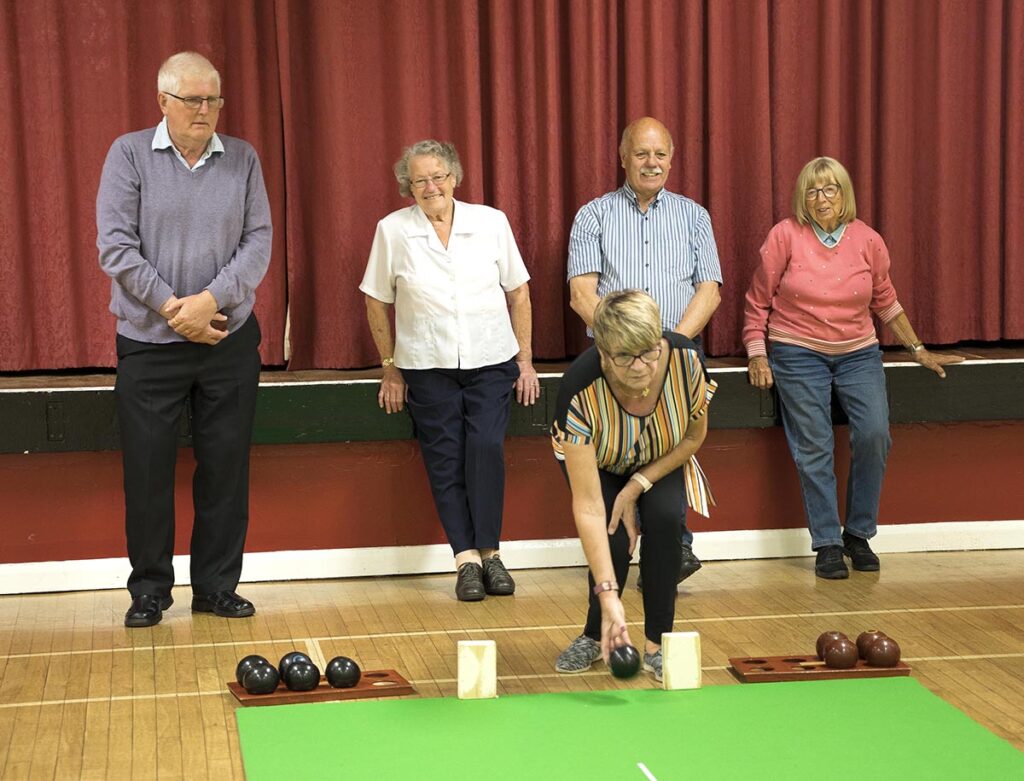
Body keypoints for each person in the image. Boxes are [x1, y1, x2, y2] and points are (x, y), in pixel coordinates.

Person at [96, 52, 272, 627]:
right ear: (163, 102)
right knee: (147, 474)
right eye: (193, 99)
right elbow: (116, 246)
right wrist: (176, 309)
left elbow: (258, 243)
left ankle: (216, 588)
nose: (205, 110)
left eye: (213, 99)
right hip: (150, 343)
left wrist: (208, 303)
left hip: (228, 340)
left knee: (226, 471)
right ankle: (149, 591)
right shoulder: (128, 154)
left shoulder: (242, 158)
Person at [743, 156, 963, 579]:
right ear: (802, 198)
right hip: (797, 351)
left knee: (875, 435)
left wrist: (918, 349)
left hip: (858, 353)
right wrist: (757, 352)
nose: (821, 198)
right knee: (814, 445)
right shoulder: (784, 235)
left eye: (830, 189)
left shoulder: (867, 239)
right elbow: (758, 301)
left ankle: (858, 535)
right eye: (812, 190)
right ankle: (827, 543)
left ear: (844, 194)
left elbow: (886, 300)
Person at [360, 139, 539, 602]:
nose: (430, 187)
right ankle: (466, 561)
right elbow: (376, 300)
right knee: (445, 460)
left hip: (491, 361)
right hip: (426, 367)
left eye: (438, 176)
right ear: (408, 187)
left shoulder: (491, 222)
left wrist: (525, 360)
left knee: (485, 449)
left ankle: (492, 554)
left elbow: (519, 293)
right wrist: (390, 368)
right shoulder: (392, 230)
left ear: (454, 177)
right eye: (419, 180)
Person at [567, 116, 722, 584]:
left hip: (678, 351)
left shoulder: (695, 216)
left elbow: (709, 291)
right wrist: (627, 344)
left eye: (659, 154)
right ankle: (621, 546)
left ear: (671, 160)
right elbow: (581, 294)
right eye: (641, 153)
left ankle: (672, 544)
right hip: (614, 357)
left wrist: (669, 346)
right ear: (623, 158)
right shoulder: (593, 215)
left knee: (673, 444)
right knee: (620, 447)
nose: (651, 163)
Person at [551, 290, 716, 679]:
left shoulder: (685, 360)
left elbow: (693, 438)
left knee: (665, 519)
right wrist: (610, 595)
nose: (641, 366)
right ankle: (596, 632)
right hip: (601, 461)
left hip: (661, 455)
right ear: (604, 354)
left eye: (648, 352)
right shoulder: (579, 389)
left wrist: (637, 485)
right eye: (625, 357)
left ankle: (658, 643)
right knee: (611, 536)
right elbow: (589, 506)